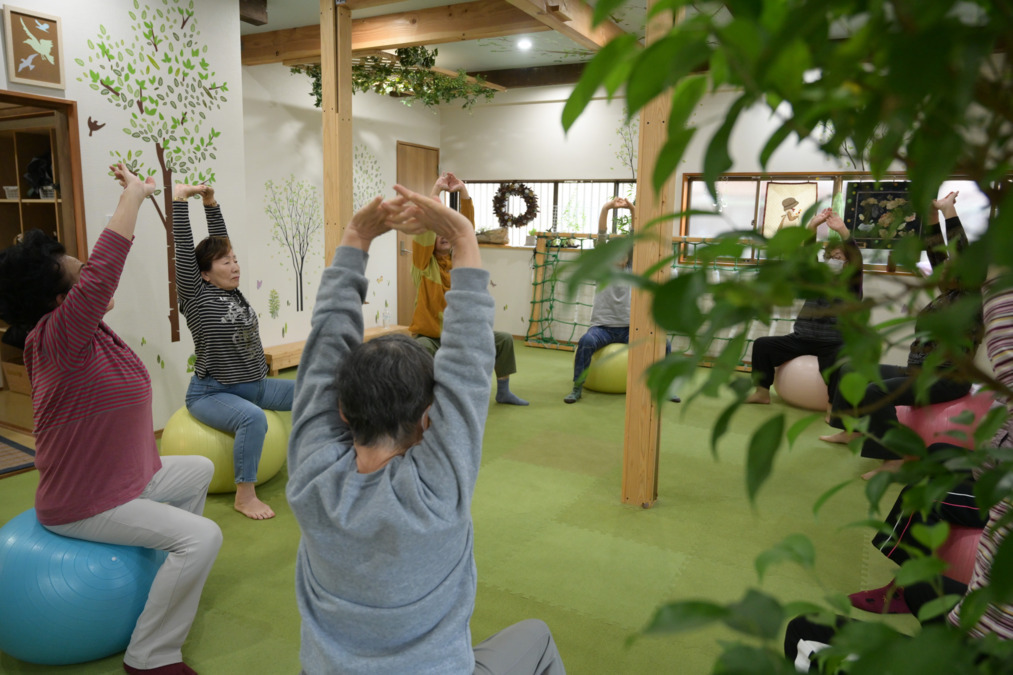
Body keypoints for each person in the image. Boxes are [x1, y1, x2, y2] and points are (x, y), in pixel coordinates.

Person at [286, 186, 565, 674]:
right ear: (427, 419)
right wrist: (462, 235)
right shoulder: (437, 492)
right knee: (536, 637)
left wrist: (355, 236)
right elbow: (468, 364)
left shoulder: (310, 481)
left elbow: (324, 349)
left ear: (343, 413)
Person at [0, 164, 222, 675]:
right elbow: (105, 266)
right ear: (61, 302)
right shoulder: (57, 339)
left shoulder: (89, 333)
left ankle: (169, 583)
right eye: (79, 280)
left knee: (200, 470)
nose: (91, 281)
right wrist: (137, 196)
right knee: (203, 536)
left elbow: (95, 272)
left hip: (124, 482)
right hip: (83, 502)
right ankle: (151, 656)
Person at [784, 273, 1013, 672]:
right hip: (991, 474)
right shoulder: (954, 293)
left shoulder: (973, 303)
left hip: (952, 393)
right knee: (939, 449)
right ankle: (851, 430)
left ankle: (890, 465)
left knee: (928, 489)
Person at [820, 192, 983, 478]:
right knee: (849, 369)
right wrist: (932, 216)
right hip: (917, 370)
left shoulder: (970, 297)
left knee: (874, 391)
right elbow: (936, 251)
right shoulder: (948, 293)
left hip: (947, 379)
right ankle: (849, 430)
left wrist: (948, 213)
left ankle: (892, 459)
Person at [173, 183, 295, 519]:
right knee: (252, 418)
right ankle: (245, 495)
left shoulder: (233, 293)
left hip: (256, 384)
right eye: (225, 262)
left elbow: (219, 241)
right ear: (204, 275)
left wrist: (211, 204)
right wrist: (181, 200)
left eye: (235, 260)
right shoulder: (196, 296)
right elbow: (184, 250)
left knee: (316, 391)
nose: (235, 266)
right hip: (213, 391)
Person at [411, 172, 528, 406]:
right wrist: (435, 193)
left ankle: (503, 391)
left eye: (448, 232)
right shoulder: (423, 265)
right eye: (438, 233)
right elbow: (425, 228)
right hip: (431, 337)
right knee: (421, 348)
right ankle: (427, 399)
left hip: (461, 335)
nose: (444, 235)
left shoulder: (461, 263)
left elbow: (466, 231)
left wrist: (464, 193)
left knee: (504, 340)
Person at [563, 197, 681, 404]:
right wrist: (607, 208)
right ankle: (577, 387)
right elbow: (601, 236)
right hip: (603, 329)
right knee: (585, 342)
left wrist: (632, 208)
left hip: (631, 328)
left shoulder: (633, 269)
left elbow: (636, 237)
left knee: (663, 343)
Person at [746, 209, 864, 406]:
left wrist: (843, 231)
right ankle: (762, 392)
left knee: (838, 366)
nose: (834, 260)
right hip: (802, 339)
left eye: (839, 257)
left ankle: (833, 409)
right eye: (830, 257)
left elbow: (856, 258)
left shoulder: (851, 284)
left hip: (834, 342)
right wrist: (812, 227)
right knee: (762, 345)